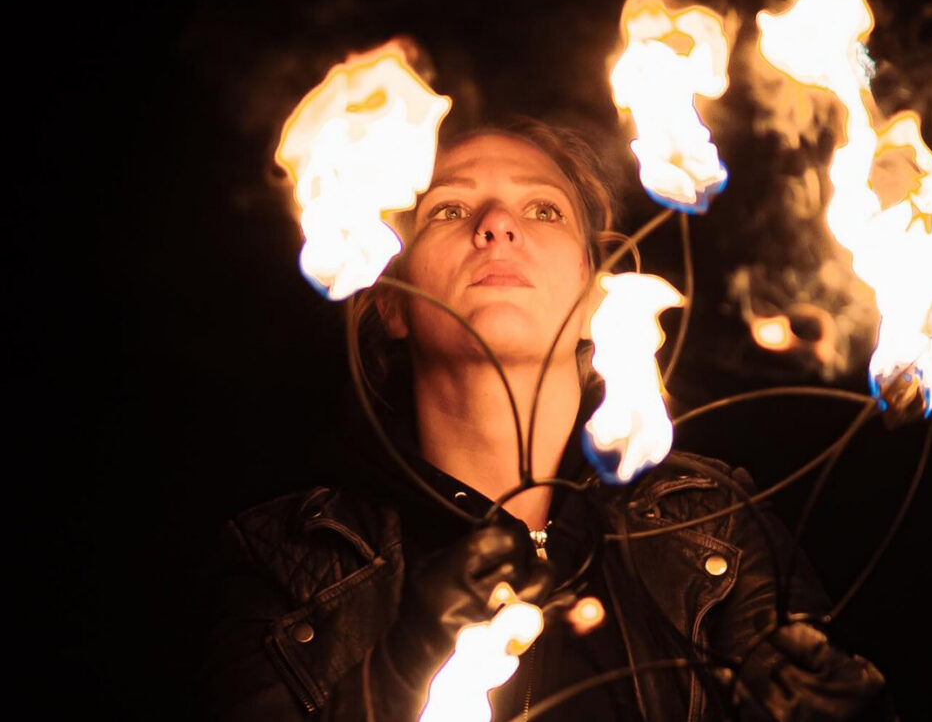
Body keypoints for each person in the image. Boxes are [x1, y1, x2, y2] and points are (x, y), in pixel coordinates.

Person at [202, 120, 893, 721]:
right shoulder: (290, 558)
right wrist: (405, 663)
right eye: (448, 209)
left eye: (542, 209)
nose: (496, 225)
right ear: (391, 302)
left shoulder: (717, 524)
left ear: (597, 292)